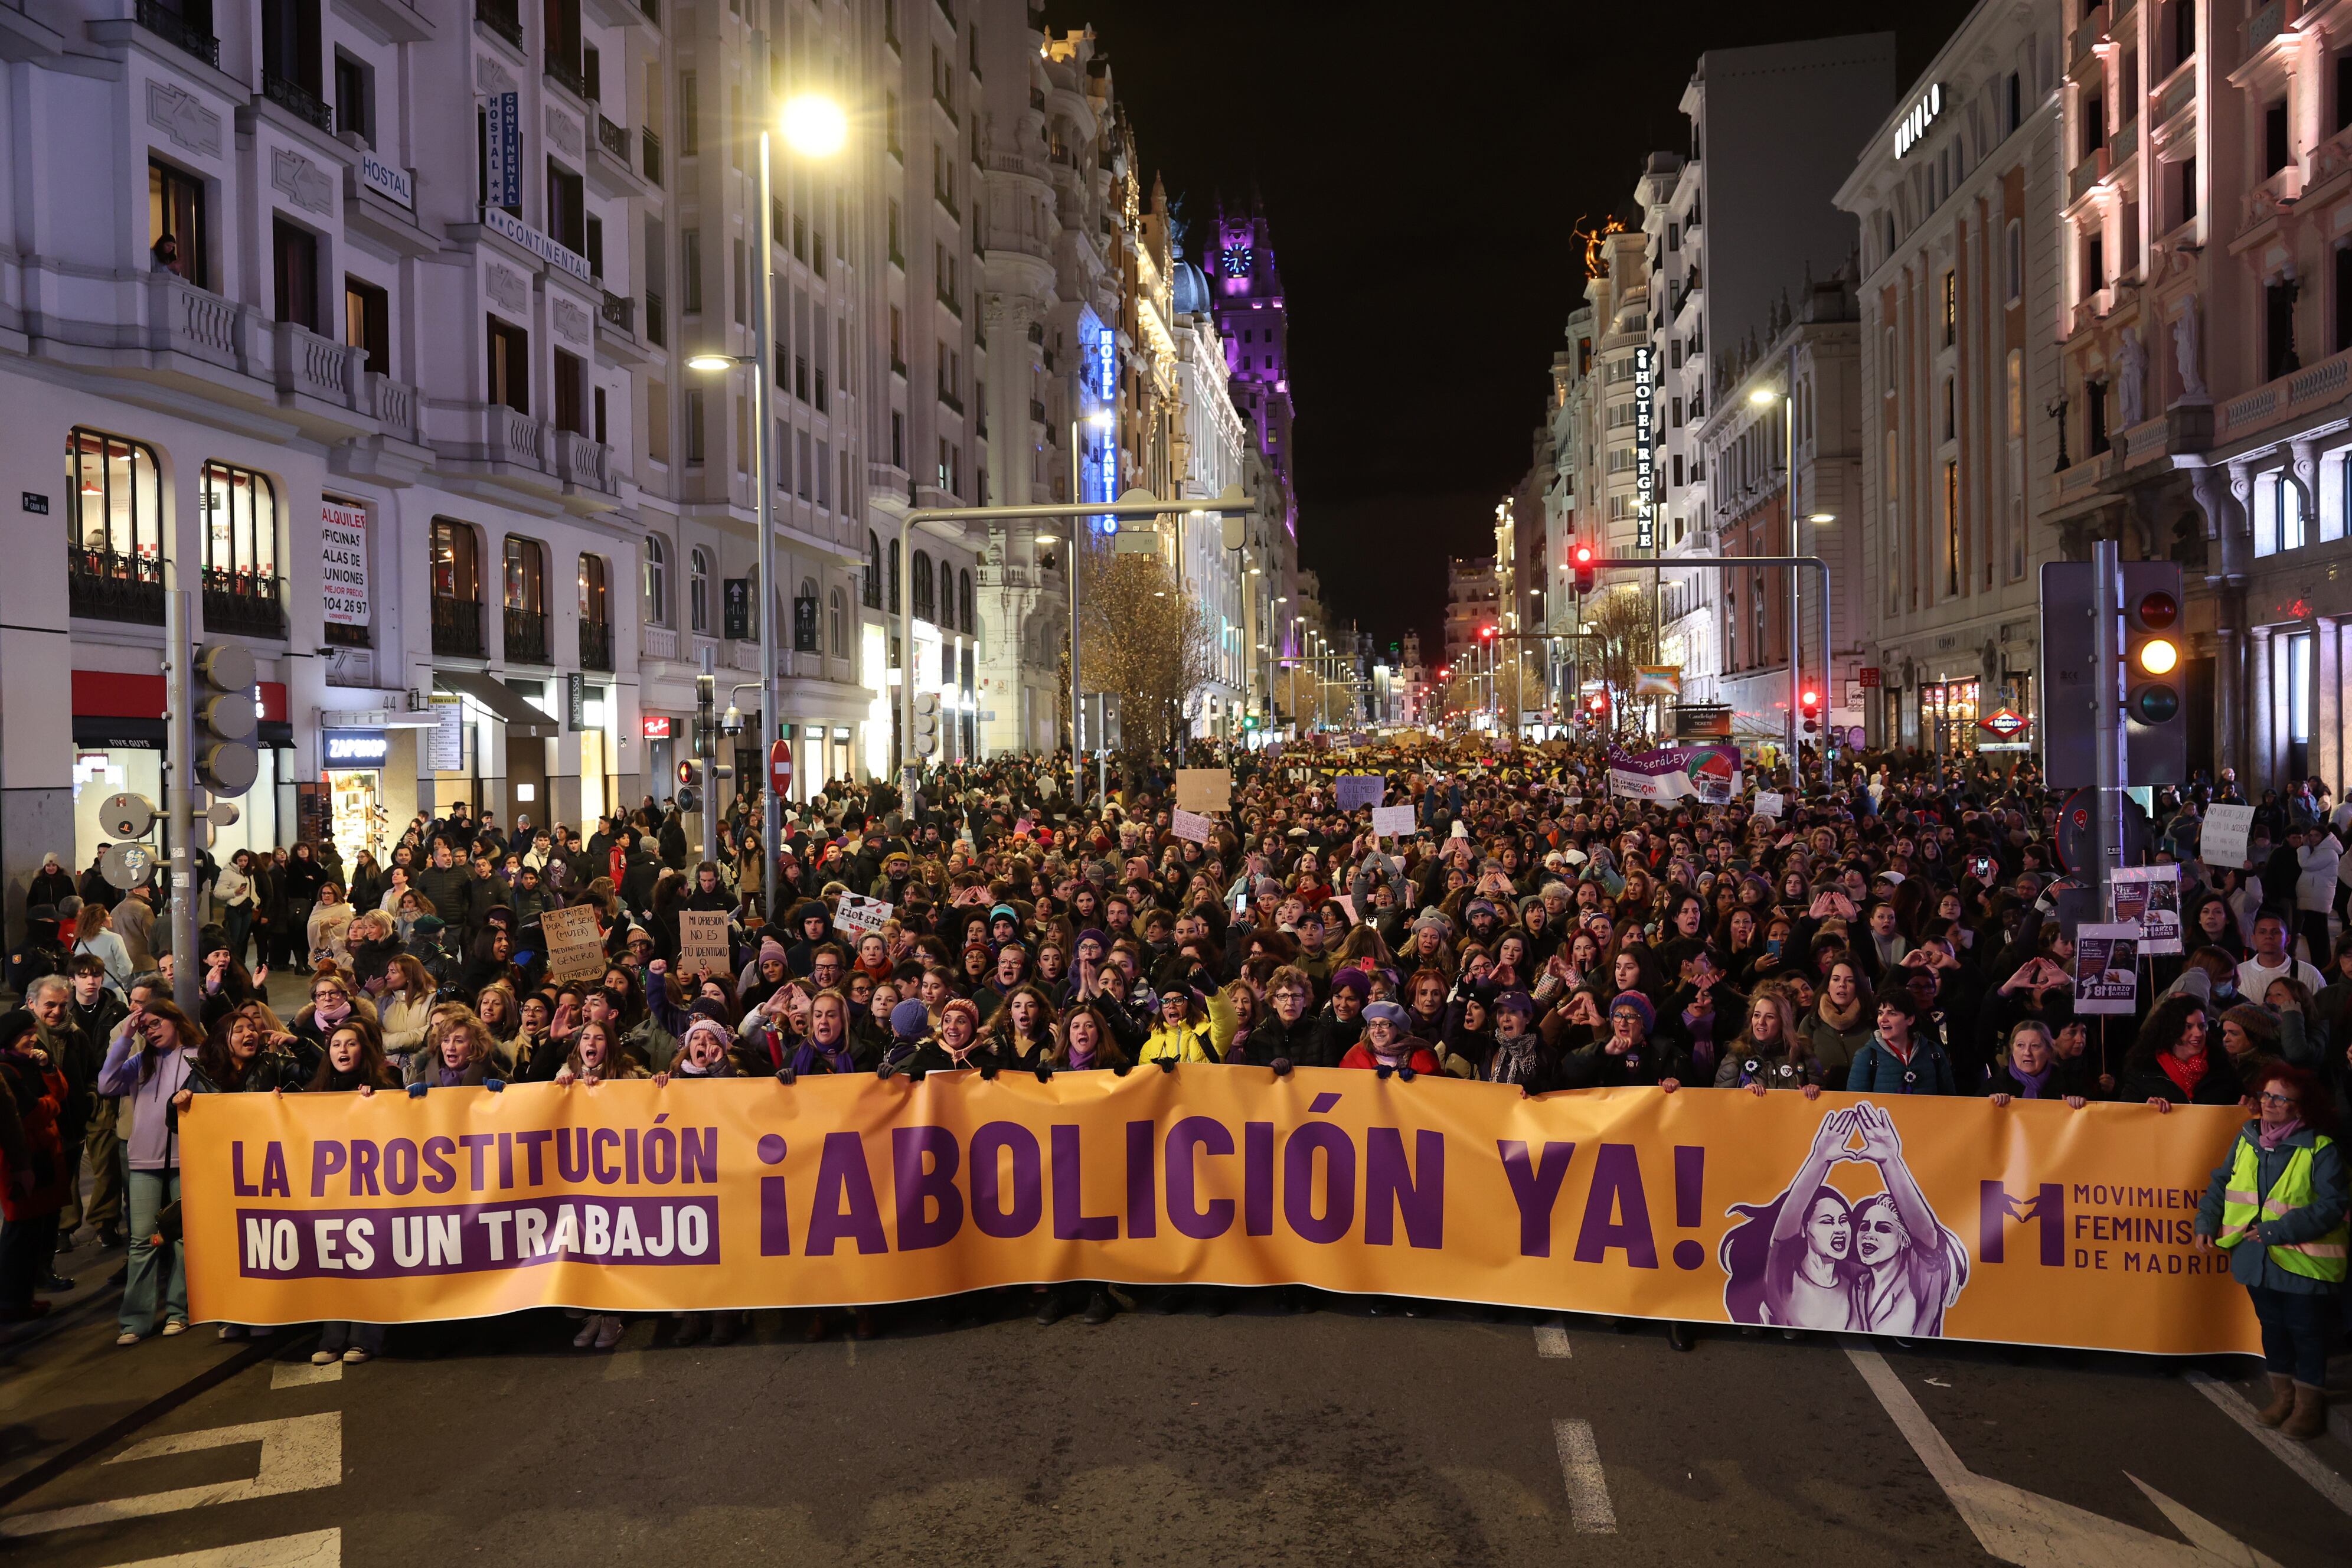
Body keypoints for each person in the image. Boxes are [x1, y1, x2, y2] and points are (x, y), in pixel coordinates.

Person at [2193, 1062, 2346, 1439]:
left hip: (2304, 1263)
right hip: (2256, 1261)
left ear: (2301, 1107)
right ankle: (2283, 1397)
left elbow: (2333, 1205)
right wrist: (2205, 1223)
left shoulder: (2320, 1150)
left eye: (2281, 1098)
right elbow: (2222, 1183)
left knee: (2306, 1332)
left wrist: (2277, 1230)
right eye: (2266, 1095)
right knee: (2274, 1329)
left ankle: (2309, 1405)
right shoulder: (2247, 1138)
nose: (2270, 1103)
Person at [96, 997, 202, 1344]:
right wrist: (125, 1037)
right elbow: (106, 1085)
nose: (151, 1031)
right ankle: (134, 1322)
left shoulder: (198, 1057)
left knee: (185, 1241)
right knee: (142, 1241)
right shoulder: (140, 1061)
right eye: (145, 1027)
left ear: (175, 1020)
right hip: (144, 1161)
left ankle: (180, 1312)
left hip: (187, 1159)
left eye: (157, 1023)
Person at [0, 1010, 71, 1321]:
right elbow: (33, 1114)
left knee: (33, 1232)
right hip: (22, 1162)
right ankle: (10, 1301)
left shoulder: (29, 1065)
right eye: (26, 1033)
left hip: (42, 1158)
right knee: (19, 1233)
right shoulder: (7, 1072)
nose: (33, 1037)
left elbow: (60, 1093)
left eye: (33, 1032)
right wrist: (51, 1106)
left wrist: (49, 1068)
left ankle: (23, 1297)